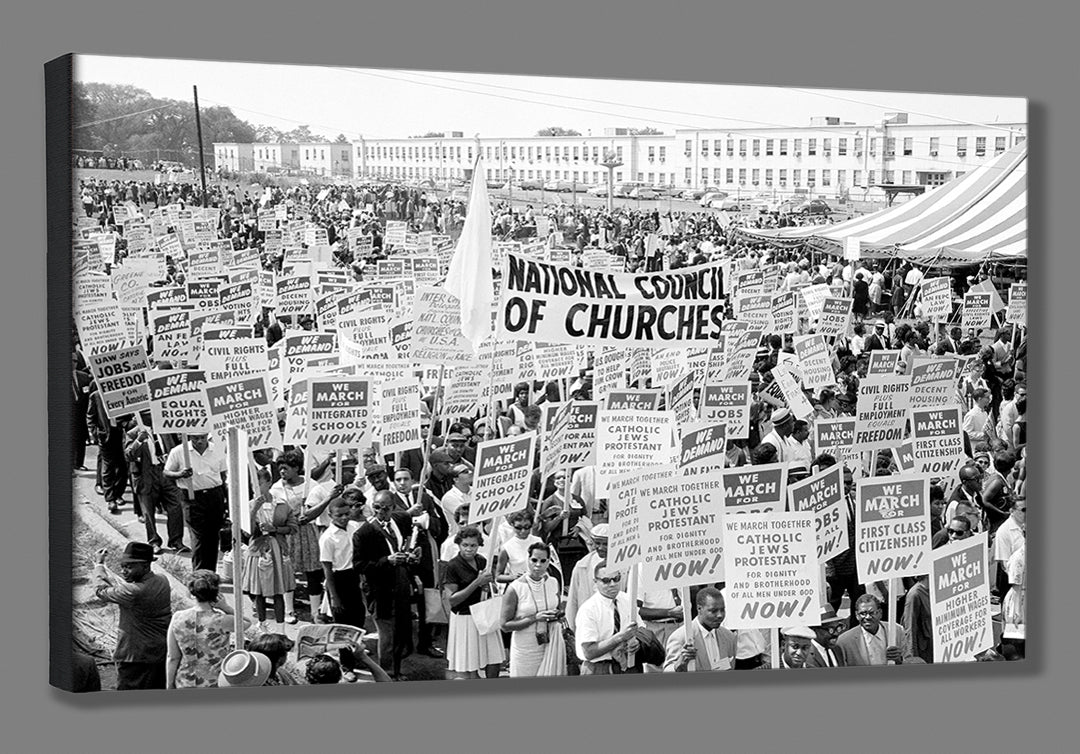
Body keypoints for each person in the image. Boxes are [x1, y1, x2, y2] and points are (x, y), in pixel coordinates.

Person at [353, 490, 418, 680]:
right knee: (386, 636)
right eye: (377, 508)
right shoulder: (363, 532)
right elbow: (359, 565)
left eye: (386, 508)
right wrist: (387, 560)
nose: (381, 512)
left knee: (401, 631)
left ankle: (397, 670)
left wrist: (411, 557)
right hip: (379, 591)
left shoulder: (399, 521)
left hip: (401, 585)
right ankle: (386, 675)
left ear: (393, 508)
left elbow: (406, 544)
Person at [93, 542, 172, 690]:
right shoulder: (163, 580)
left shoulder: (133, 591)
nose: (123, 571)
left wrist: (99, 564)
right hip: (160, 652)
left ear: (145, 566)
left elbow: (100, 591)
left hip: (134, 658)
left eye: (129, 567)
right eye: (123, 566)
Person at [166, 570, 245, 688]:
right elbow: (245, 622)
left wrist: (169, 684)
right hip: (215, 682)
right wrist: (225, 607)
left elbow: (172, 657)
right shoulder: (222, 620)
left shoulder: (178, 617)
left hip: (185, 681)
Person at [442, 526, 504, 679]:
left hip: (484, 613)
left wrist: (489, 585)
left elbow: (490, 586)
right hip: (465, 617)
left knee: (494, 658)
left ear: (479, 545)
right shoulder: (453, 566)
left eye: (473, 545)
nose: (469, 549)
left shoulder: (482, 561)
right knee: (471, 664)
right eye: (465, 545)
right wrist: (477, 582)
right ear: (458, 544)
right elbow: (453, 599)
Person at [163, 432, 227, 572]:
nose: (200, 441)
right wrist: (180, 474)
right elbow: (166, 472)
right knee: (199, 539)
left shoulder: (217, 449)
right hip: (192, 498)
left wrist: (225, 501)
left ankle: (210, 574)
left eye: (202, 437)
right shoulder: (179, 451)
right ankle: (198, 576)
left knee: (212, 538)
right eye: (195, 438)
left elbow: (222, 475)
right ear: (189, 437)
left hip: (214, 496)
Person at [500, 542, 565, 678]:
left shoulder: (553, 582)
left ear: (548, 562)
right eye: (534, 560)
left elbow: (558, 607)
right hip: (525, 649)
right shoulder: (515, 588)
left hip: (550, 644)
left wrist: (558, 616)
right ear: (528, 559)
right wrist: (535, 618)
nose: (538, 565)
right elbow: (505, 626)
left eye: (543, 561)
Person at [124, 416, 184, 554]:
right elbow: (128, 456)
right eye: (147, 413)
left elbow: (174, 448)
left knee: (175, 505)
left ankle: (176, 541)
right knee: (148, 512)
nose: (151, 415)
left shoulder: (164, 428)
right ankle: (154, 542)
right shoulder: (132, 434)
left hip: (165, 472)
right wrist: (138, 441)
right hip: (146, 475)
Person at [575, 562, 644, 675]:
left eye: (616, 579)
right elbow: (588, 652)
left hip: (629, 665)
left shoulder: (627, 600)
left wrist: (637, 642)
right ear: (595, 582)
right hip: (600, 668)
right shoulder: (589, 609)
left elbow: (641, 629)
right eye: (606, 580)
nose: (612, 584)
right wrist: (620, 637)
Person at [664, 587, 737, 672]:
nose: (720, 615)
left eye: (722, 610)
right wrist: (678, 665)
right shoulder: (681, 637)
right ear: (699, 609)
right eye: (713, 611)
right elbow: (667, 672)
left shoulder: (729, 636)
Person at [319, 497, 365, 629]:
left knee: (358, 615)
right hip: (339, 578)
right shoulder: (328, 538)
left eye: (347, 514)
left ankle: (357, 647)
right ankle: (344, 649)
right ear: (331, 516)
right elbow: (327, 569)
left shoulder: (354, 527)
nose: (344, 518)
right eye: (339, 515)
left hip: (354, 575)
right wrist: (334, 597)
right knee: (343, 620)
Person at [835, 594, 913, 666]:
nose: (867, 617)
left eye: (872, 613)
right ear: (857, 615)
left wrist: (899, 660)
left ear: (880, 613)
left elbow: (909, 661)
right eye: (863, 613)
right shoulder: (844, 642)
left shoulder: (896, 631)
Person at [565, 523, 610, 629]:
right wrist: (571, 628)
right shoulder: (582, 565)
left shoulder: (625, 568)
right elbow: (573, 600)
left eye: (605, 544)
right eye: (597, 543)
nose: (600, 547)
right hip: (588, 624)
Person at [495, 510, 544, 586]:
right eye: (518, 527)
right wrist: (514, 577)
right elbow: (498, 576)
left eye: (527, 527)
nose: (523, 531)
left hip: (538, 585)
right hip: (519, 587)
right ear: (512, 525)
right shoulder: (506, 548)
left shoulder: (538, 541)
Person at [993, 498, 1026, 601]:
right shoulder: (1003, 531)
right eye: (1023, 510)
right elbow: (1004, 564)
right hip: (1013, 583)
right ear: (1012, 511)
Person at [902, 575, 934, 664]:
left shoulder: (935, 590)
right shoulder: (915, 595)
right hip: (924, 650)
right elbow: (910, 627)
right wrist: (912, 657)